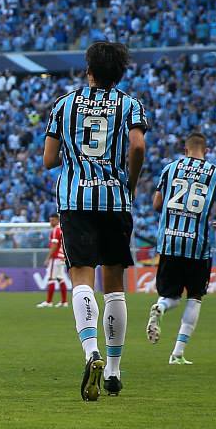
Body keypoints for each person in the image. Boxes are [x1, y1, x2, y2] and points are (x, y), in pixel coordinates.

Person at [43, 41, 147, 401]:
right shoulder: (130, 105)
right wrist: (128, 183)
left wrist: (76, 156)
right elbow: (137, 147)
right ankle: (115, 372)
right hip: (115, 199)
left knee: (82, 279)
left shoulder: (64, 104)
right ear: (120, 72)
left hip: (74, 200)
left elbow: (48, 158)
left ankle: (91, 353)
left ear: (89, 69)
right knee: (114, 284)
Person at [146, 132, 216, 364]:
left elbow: (157, 204)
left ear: (184, 150)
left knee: (170, 296)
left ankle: (160, 306)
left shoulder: (170, 168)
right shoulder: (215, 173)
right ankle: (177, 353)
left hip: (169, 242)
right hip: (196, 246)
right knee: (194, 297)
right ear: (206, 151)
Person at [37, 213, 68, 308]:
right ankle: (64, 302)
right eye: (50, 220)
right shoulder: (62, 229)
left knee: (51, 278)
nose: (50, 222)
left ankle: (49, 302)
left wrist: (48, 258)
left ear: (57, 220)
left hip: (56, 258)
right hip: (62, 257)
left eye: (52, 220)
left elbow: (54, 246)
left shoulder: (56, 230)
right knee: (60, 278)